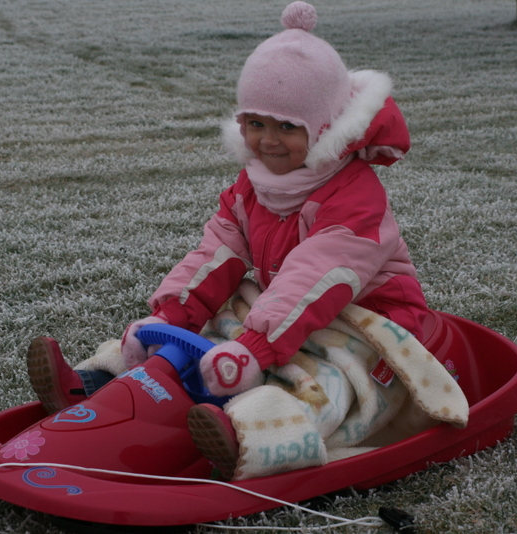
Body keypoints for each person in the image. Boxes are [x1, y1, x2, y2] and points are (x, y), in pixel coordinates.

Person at [27, 1, 436, 480]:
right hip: (281, 306)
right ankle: (100, 382)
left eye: (288, 126)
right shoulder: (255, 186)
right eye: (256, 123)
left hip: (367, 319)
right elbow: (214, 254)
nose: (268, 140)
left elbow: (319, 276)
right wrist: (169, 315)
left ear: (325, 129)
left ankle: (255, 436)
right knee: (198, 334)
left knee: (326, 381)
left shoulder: (354, 196)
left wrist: (256, 348)